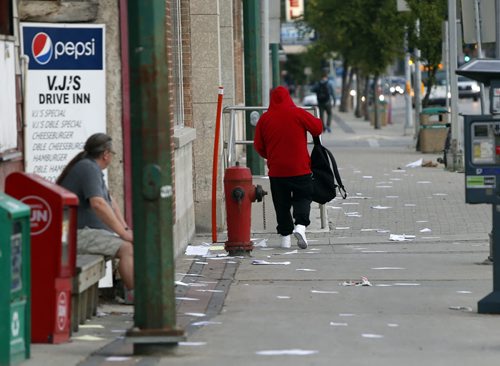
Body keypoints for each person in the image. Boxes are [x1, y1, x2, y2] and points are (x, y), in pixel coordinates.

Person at [56, 133, 134, 294]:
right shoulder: (88, 168)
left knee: (130, 244)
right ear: (106, 154)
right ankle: (140, 297)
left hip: (84, 233)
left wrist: (125, 230)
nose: (112, 157)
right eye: (112, 154)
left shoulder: (93, 169)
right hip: (74, 235)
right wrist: (124, 235)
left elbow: (111, 204)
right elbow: (98, 204)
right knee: (127, 249)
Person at [254, 86, 323, 249]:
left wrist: (270, 156)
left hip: (277, 170)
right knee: (303, 197)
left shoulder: (265, 119)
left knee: (281, 204)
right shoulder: (298, 113)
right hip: (300, 168)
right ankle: (300, 226)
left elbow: (258, 146)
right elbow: (317, 128)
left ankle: (285, 238)